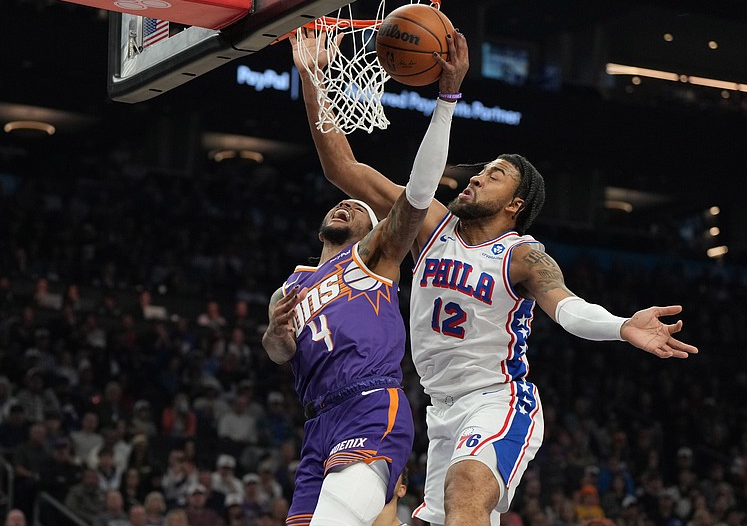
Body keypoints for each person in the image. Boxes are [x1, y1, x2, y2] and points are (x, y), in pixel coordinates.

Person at [292, 30, 699, 526]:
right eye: (481, 170)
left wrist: (620, 325)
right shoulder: (430, 225)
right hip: (440, 411)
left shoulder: (521, 255)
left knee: (467, 486)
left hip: (499, 399)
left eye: (495, 174)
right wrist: (312, 77)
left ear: (515, 204)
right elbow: (343, 167)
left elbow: (568, 308)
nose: (477, 176)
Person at [264, 29, 468, 526]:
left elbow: (409, 199)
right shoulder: (289, 287)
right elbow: (280, 355)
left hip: (371, 404)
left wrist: (445, 98)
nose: (345, 203)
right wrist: (274, 334)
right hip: (317, 424)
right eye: (342, 203)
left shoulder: (376, 257)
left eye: (357, 209)